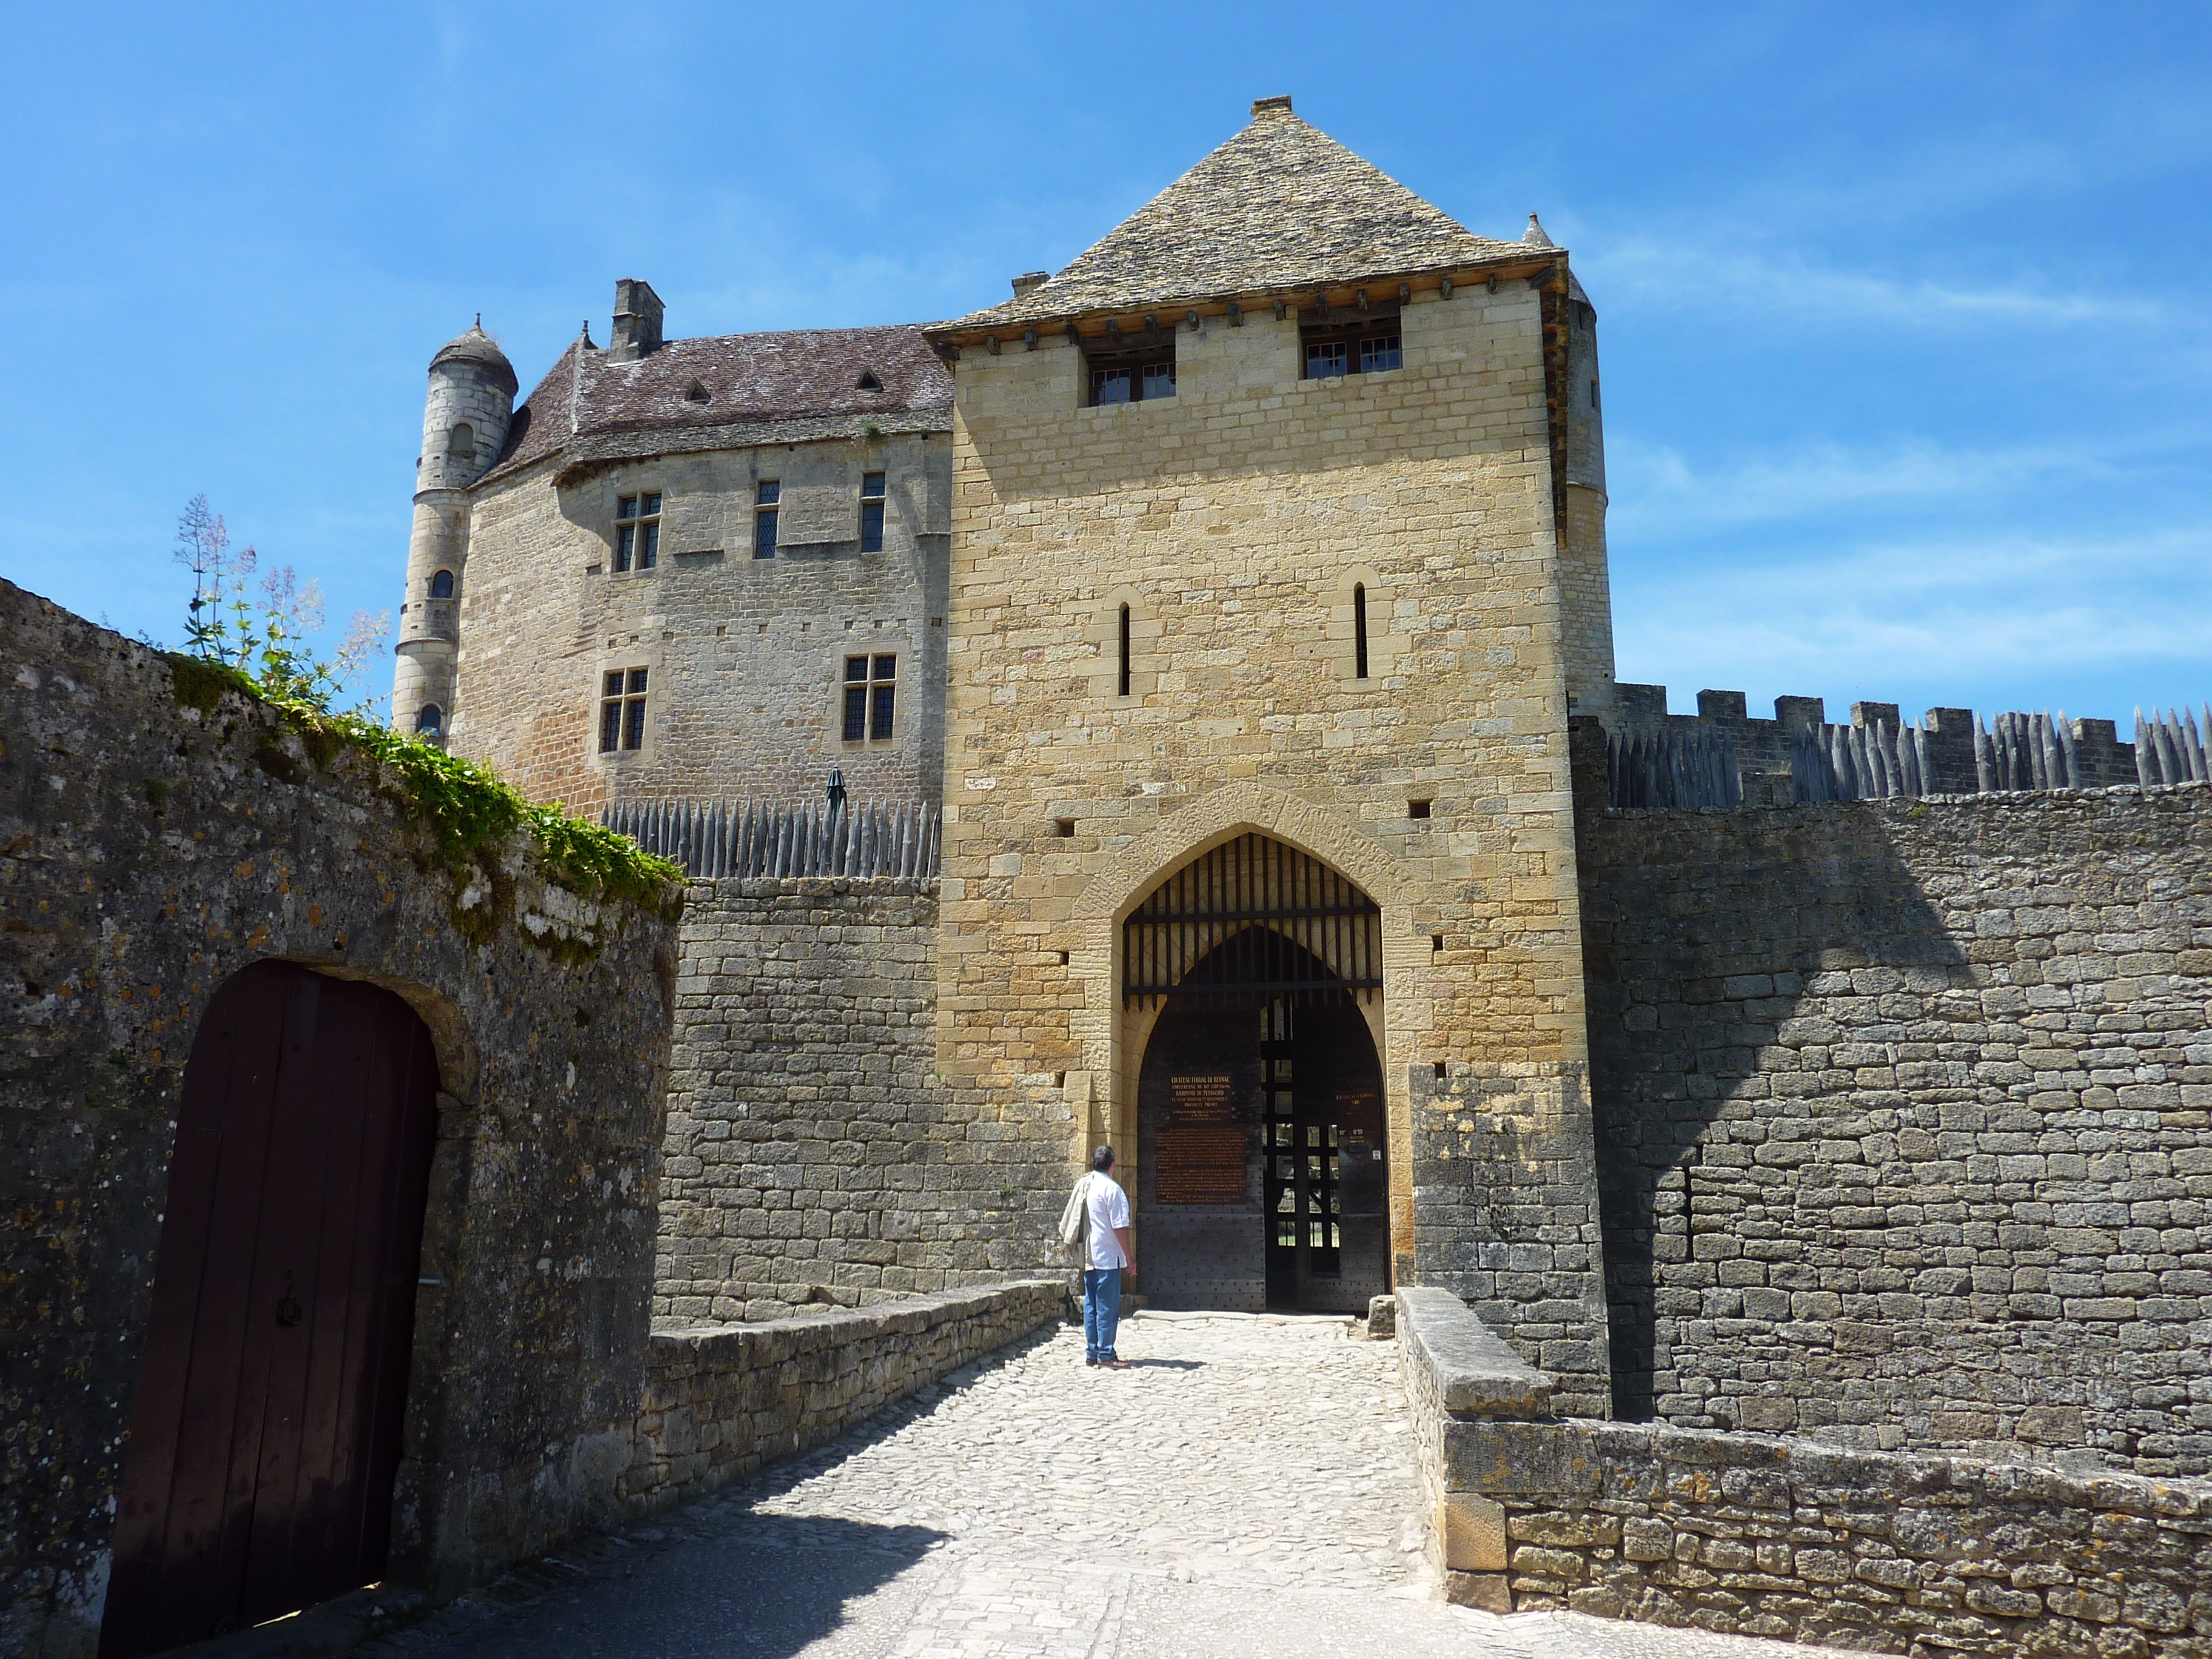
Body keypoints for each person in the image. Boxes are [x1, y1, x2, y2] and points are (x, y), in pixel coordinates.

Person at [1077, 1145, 1133, 1369]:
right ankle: (1106, 1354)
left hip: (1090, 1255)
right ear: (1112, 1165)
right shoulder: (1112, 1189)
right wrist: (1129, 1258)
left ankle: (1092, 1352)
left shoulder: (1086, 1185)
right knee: (1107, 1307)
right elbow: (1120, 1227)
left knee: (1091, 1306)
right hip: (1108, 1256)